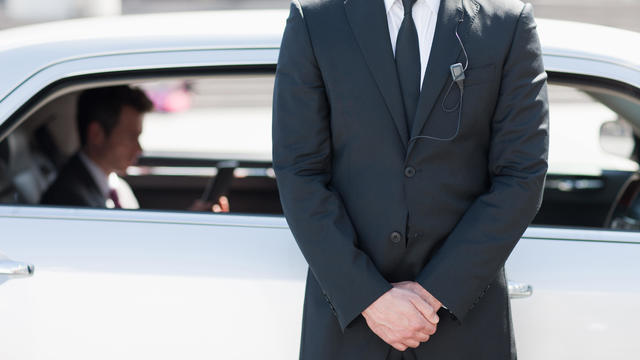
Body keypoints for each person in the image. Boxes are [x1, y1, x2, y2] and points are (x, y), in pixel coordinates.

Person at [272, 0, 549, 359]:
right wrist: (369, 298)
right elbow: (299, 170)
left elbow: (522, 174)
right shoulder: (315, 19)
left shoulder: (507, 23)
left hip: (463, 324)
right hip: (350, 324)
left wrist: (432, 295)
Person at [41, 85, 228, 212]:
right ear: (96, 134)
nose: (139, 149)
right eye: (131, 137)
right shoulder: (70, 202)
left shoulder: (114, 185)